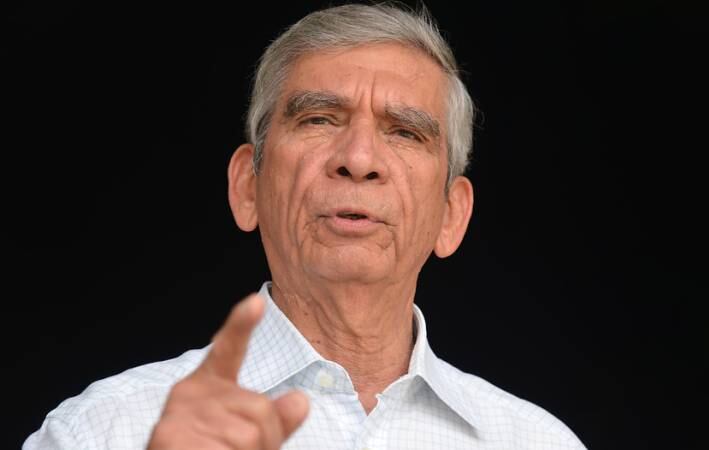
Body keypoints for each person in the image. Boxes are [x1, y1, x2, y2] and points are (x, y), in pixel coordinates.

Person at [24, 3, 586, 449]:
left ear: (451, 216)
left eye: (404, 132)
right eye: (319, 119)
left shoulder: (537, 442)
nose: (359, 159)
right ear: (247, 188)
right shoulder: (104, 431)